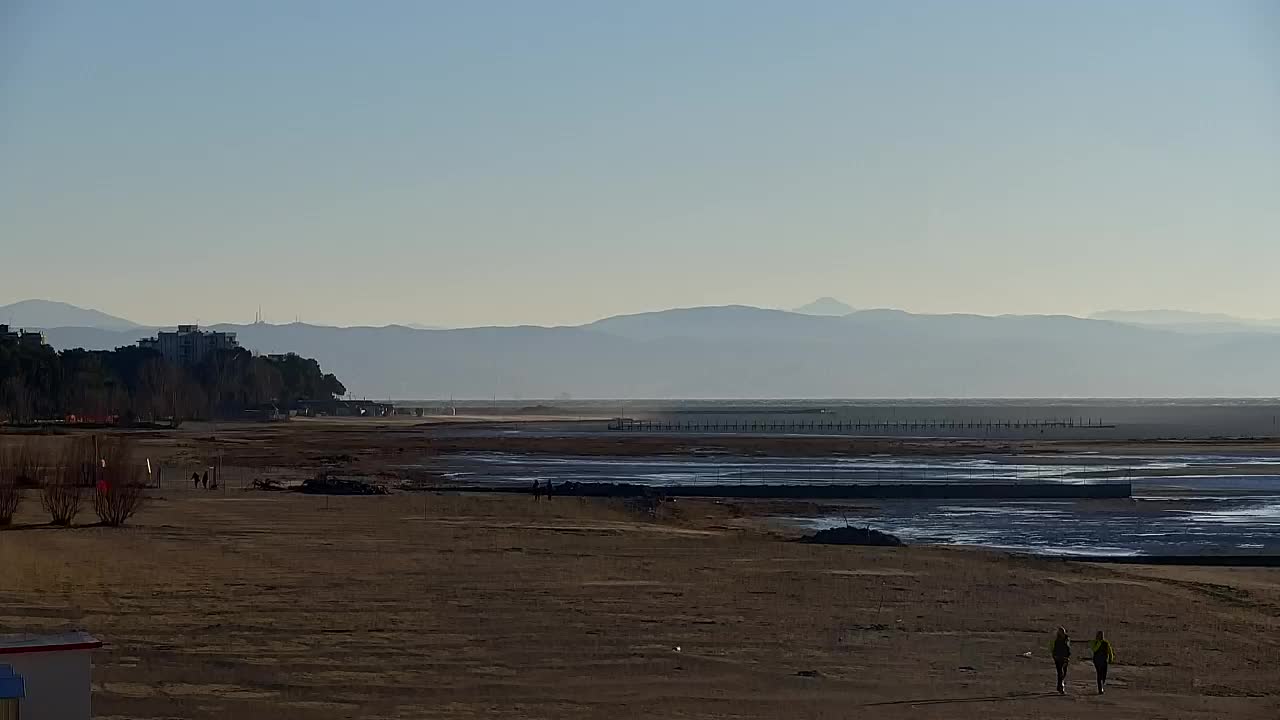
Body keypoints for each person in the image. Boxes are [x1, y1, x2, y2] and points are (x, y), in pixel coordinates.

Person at [1090, 631, 1116, 695]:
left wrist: (1111, 658)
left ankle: (1102, 684)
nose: (1100, 636)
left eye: (1101, 635)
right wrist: (1099, 642)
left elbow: (1110, 651)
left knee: (1104, 675)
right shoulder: (1094, 642)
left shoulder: (1105, 643)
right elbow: (1094, 649)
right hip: (1097, 661)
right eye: (1099, 635)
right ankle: (1100, 689)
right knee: (1099, 674)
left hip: (1104, 661)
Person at [1049, 626, 1071, 694]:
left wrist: (1068, 656)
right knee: (1060, 672)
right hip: (1058, 658)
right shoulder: (1056, 640)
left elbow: (1068, 648)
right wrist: (1054, 655)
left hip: (1064, 658)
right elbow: (1053, 648)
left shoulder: (1067, 639)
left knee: (1063, 673)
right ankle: (1061, 687)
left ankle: (1059, 686)